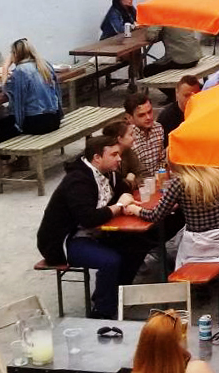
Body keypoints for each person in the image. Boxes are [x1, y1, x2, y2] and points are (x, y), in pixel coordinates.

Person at [35, 136, 147, 319]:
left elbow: (123, 190)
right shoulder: (77, 181)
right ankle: (101, 313)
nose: (119, 159)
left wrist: (124, 200)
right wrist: (119, 207)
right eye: (114, 155)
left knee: (138, 245)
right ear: (97, 158)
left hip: (96, 233)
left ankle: (114, 295)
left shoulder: (108, 173)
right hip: (67, 241)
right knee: (110, 261)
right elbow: (88, 219)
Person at [136, 164, 219, 275]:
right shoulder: (217, 175)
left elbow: (155, 216)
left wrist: (135, 209)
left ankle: (200, 284)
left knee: (174, 246)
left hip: (198, 246)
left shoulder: (179, 183)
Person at [3, 39, 63, 139]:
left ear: (16, 54)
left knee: (3, 125)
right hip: (55, 119)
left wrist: (5, 67)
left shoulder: (20, 70)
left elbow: (11, 95)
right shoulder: (44, 64)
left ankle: (11, 150)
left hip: (38, 123)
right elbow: (57, 91)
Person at [122, 92, 167, 178]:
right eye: (141, 115)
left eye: (149, 112)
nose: (148, 117)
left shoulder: (158, 128)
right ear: (129, 118)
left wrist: (160, 176)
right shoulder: (127, 137)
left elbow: (161, 160)